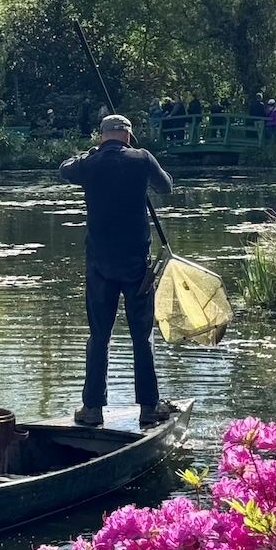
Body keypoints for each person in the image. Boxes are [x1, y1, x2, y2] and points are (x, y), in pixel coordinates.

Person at [59, 114, 176, 430]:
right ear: (128, 136)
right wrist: (144, 165)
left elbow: (64, 169)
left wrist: (89, 154)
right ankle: (150, 407)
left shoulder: (90, 164)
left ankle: (93, 409)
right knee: (142, 336)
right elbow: (166, 187)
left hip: (99, 265)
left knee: (99, 336)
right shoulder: (142, 159)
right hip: (137, 266)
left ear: (102, 136)